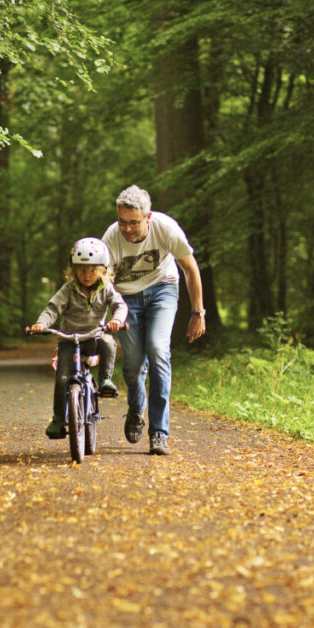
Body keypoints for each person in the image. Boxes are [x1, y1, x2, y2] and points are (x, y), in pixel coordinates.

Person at [102, 185, 206, 456]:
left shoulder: (166, 229)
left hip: (163, 289)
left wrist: (198, 313)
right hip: (126, 298)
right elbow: (103, 285)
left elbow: (190, 267)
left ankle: (159, 432)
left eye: (133, 223)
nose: (126, 229)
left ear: (148, 217)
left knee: (159, 350)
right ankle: (137, 408)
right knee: (134, 364)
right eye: (122, 222)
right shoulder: (111, 239)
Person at [28, 237, 128, 439]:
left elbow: (120, 305)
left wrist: (117, 320)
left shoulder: (106, 289)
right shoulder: (68, 290)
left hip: (94, 337)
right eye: (81, 269)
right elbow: (52, 309)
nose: (87, 274)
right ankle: (58, 419)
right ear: (73, 270)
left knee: (109, 342)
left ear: (103, 270)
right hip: (69, 341)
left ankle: (106, 380)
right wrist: (41, 324)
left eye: (92, 269)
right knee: (62, 379)